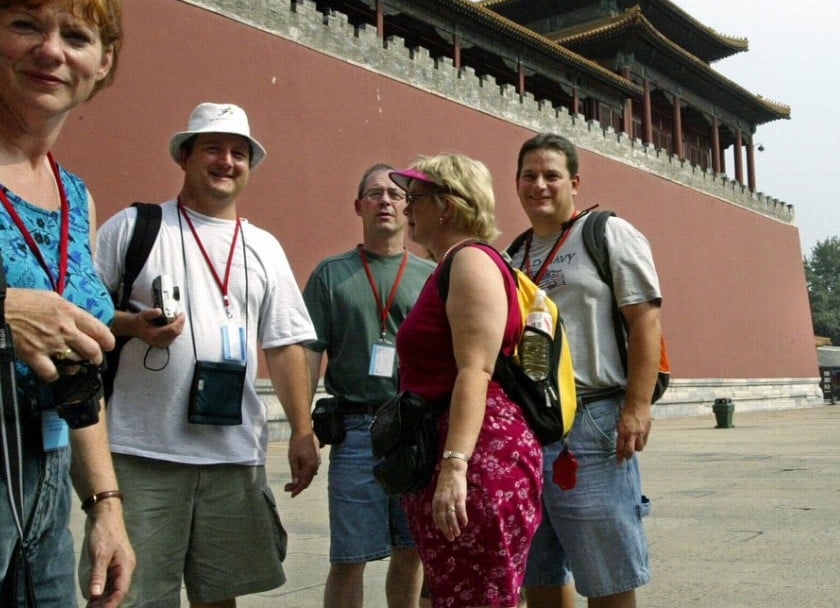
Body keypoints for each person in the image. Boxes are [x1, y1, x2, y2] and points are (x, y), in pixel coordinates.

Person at [90, 102, 319, 607]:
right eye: (213, 148)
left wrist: (302, 430)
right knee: (131, 595)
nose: (226, 161)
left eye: (239, 153)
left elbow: (284, 346)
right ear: (185, 156)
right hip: (142, 452)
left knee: (221, 597)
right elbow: (81, 314)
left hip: (232, 456)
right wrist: (132, 326)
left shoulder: (264, 248)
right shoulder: (134, 228)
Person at [0, 0, 135, 608]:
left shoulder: (74, 196)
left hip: (48, 482)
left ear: (102, 63)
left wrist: (105, 506)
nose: (51, 51)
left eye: (77, 36)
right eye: (26, 25)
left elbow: (78, 364)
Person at [510, 133, 662, 608]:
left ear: (573, 182)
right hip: (532, 427)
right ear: (516, 184)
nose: (540, 185)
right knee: (540, 570)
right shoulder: (514, 256)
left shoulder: (606, 233)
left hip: (593, 424)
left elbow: (646, 320)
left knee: (607, 574)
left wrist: (636, 407)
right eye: (529, 176)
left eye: (551, 175)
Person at [388, 153, 543, 608]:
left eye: (414, 198)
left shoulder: (471, 261)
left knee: (478, 597)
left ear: (447, 206)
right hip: (458, 448)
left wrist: (455, 466)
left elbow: (475, 369)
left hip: (478, 457)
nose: (405, 209)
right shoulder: (452, 264)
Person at [303, 164, 432, 608]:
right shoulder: (330, 275)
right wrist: (302, 429)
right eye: (374, 194)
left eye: (396, 195)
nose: (385, 201)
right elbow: (308, 352)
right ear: (358, 206)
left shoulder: (432, 275)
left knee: (412, 552)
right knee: (349, 557)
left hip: (415, 429)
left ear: (408, 207)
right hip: (357, 429)